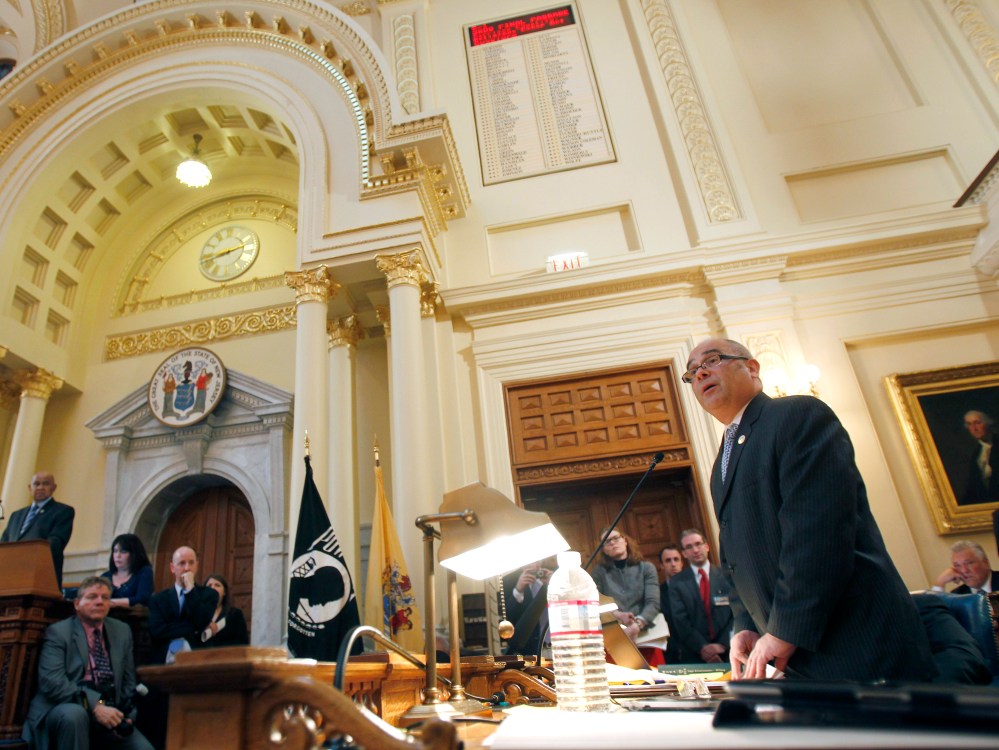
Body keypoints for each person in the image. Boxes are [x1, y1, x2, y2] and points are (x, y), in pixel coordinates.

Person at [684, 337, 935, 681]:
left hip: (855, 644)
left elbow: (818, 533)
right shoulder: (721, 465)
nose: (700, 374)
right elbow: (734, 556)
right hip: (795, 656)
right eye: (692, 371)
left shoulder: (797, 415)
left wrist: (786, 629)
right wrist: (746, 625)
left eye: (712, 361)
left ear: (753, 368)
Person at [22, 576, 153, 750]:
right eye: (92, 597)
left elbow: (128, 682)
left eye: (105, 598)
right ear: (77, 604)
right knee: (75, 715)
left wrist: (127, 715)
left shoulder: (122, 631)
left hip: (109, 707)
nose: (100, 602)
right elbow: (52, 682)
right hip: (68, 704)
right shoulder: (59, 632)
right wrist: (95, 706)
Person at [591, 528, 663, 665]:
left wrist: (637, 624)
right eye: (607, 542)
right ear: (603, 549)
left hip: (646, 637)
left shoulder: (647, 568)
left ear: (625, 540)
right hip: (615, 639)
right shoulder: (598, 572)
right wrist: (617, 615)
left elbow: (653, 603)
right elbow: (596, 603)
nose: (613, 543)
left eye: (616, 538)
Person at [667, 529, 733, 664]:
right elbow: (680, 620)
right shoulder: (676, 583)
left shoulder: (727, 576)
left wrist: (722, 645)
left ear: (707, 546)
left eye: (698, 544)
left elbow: (735, 613)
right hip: (695, 655)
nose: (695, 550)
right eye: (689, 547)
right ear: (684, 553)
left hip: (729, 651)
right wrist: (703, 648)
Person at [0, 472, 75, 588]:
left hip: (41, 576)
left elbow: (56, 543)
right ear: (30, 488)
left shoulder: (63, 511)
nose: (40, 487)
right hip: (11, 578)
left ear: (53, 488)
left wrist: (24, 557)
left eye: (45, 484)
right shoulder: (16, 515)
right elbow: (4, 544)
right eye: (36, 484)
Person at [147, 546, 219, 664]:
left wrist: (190, 590)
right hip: (164, 660)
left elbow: (200, 621)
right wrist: (194, 628)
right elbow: (157, 631)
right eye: (181, 563)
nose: (187, 568)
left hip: (198, 660)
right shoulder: (158, 599)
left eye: (191, 563)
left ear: (197, 565)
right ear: (172, 568)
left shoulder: (209, 594)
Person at [502, 559, 555, 655]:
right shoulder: (508, 581)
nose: (535, 564)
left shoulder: (552, 577)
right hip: (529, 649)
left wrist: (554, 584)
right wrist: (518, 590)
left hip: (554, 643)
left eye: (538, 560)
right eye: (531, 560)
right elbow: (508, 618)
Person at [195, 573, 250, 648]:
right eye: (209, 585)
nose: (213, 588)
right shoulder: (196, 614)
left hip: (225, 657)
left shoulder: (234, 614)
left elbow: (242, 643)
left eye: (217, 585)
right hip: (201, 657)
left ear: (224, 592)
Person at [101, 533, 154, 608]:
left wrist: (111, 602)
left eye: (123, 552)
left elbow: (143, 599)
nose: (118, 556)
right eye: (115, 551)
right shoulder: (105, 576)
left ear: (134, 554)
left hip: (134, 617)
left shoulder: (144, 572)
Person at [932, 540, 999, 594]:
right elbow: (934, 610)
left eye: (969, 563)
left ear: (985, 563)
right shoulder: (958, 595)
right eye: (957, 566)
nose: (964, 570)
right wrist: (940, 583)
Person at [961, 410, 997, 504]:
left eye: (977, 423)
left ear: (988, 423)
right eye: (969, 424)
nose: (974, 428)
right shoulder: (976, 455)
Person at [657, 544, 686, 663]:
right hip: (672, 653)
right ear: (661, 565)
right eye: (668, 560)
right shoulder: (657, 593)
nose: (673, 564)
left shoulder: (696, 587)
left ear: (682, 563)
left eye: (676, 559)